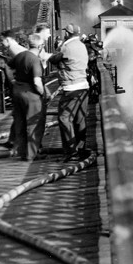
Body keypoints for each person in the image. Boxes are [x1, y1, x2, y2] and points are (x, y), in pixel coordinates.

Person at [48, 23, 90, 162]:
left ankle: (71, 152)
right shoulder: (82, 45)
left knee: (64, 118)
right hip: (83, 86)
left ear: (67, 33)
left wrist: (46, 55)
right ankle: (81, 148)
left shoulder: (66, 47)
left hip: (71, 87)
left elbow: (55, 59)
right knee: (80, 119)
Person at [7, 33, 47, 161]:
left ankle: (22, 152)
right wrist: (43, 94)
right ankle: (31, 155)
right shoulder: (34, 60)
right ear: (40, 46)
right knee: (34, 124)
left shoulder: (20, 56)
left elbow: (7, 66)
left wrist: (12, 81)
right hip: (31, 95)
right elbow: (37, 81)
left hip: (17, 92)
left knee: (20, 123)